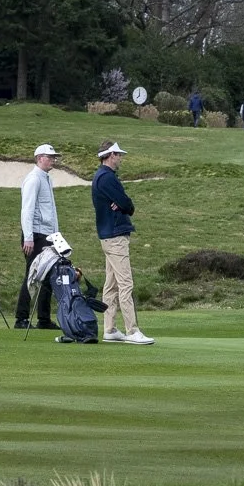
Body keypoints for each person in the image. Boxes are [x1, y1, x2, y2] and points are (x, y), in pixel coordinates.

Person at [92, 141, 153, 345]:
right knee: (126, 283)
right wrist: (124, 205)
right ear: (110, 155)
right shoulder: (107, 178)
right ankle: (132, 330)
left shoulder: (103, 176)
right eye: (118, 155)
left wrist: (123, 204)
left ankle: (109, 329)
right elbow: (128, 204)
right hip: (115, 235)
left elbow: (124, 204)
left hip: (109, 234)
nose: (120, 158)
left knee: (111, 284)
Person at [15, 144, 61, 330]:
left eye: (53, 157)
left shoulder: (46, 179)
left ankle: (43, 318)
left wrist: (56, 235)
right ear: (39, 158)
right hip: (35, 235)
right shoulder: (34, 179)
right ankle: (21, 318)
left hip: (47, 235)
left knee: (49, 276)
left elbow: (51, 211)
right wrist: (28, 237)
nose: (53, 160)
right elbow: (27, 209)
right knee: (32, 276)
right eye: (50, 157)